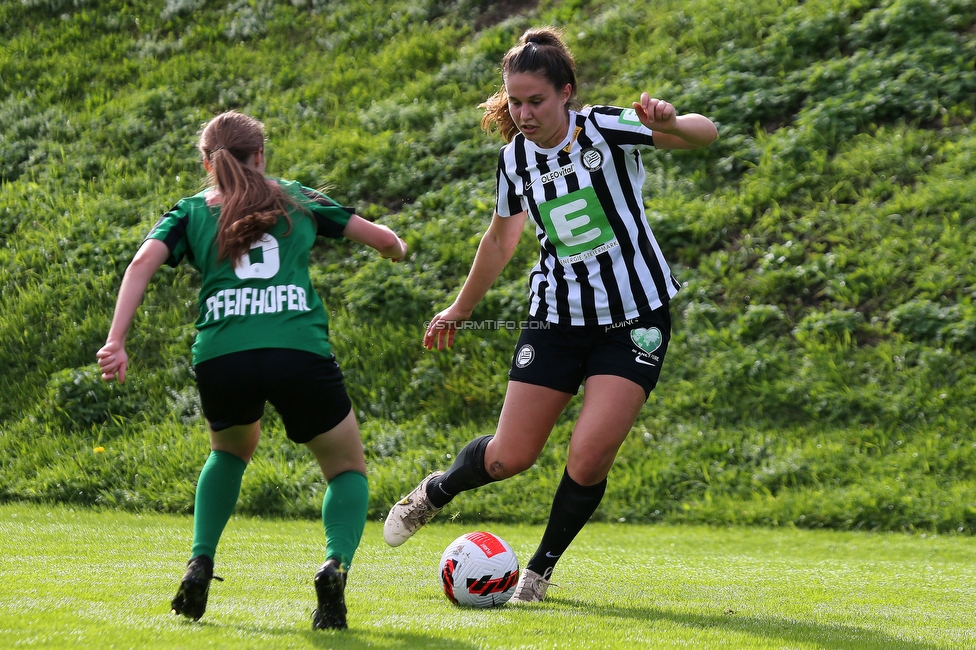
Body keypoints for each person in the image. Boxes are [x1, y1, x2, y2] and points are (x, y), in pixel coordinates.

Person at [383, 27, 717, 602]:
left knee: (589, 458)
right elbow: (501, 240)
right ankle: (435, 492)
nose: (524, 112)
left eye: (536, 100)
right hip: (557, 319)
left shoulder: (606, 128)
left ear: (567, 92)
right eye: (515, 101)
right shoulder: (514, 158)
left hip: (635, 317)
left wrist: (667, 120)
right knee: (510, 457)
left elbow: (703, 136)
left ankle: (536, 573)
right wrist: (460, 310)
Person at [97, 110, 407, 629]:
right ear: (260, 155)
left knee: (229, 452)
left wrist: (116, 340)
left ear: (206, 161)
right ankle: (335, 564)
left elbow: (140, 264)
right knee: (346, 469)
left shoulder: (190, 211)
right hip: (297, 351)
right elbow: (380, 239)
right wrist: (397, 249)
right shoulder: (295, 197)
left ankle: (200, 560)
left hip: (223, 356)